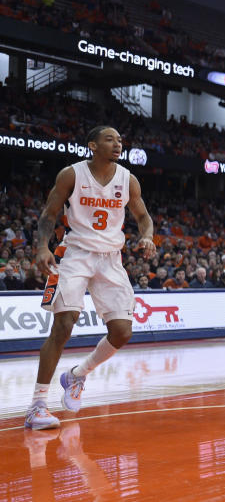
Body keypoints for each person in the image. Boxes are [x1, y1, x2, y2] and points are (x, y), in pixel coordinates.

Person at [25, 126, 156, 430]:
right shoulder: (71, 174)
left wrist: (147, 236)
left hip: (111, 259)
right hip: (76, 254)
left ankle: (77, 375)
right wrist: (42, 247)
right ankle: (37, 405)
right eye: (110, 139)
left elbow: (143, 217)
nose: (117, 144)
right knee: (64, 324)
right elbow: (48, 214)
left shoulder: (128, 180)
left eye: (120, 140)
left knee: (122, 332)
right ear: (92, 146)